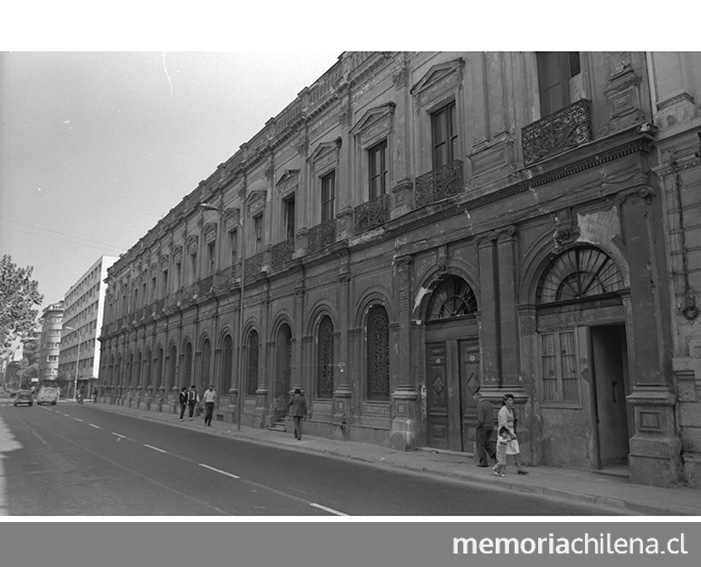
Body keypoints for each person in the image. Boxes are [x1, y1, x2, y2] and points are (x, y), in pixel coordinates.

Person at [497, 393, 528, 475]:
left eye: (512, 400)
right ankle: (501, 468)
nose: (511, 402)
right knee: (503, 451)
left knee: (516, 449)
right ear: (505, 401)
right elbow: (504, 424)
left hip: (511, 431)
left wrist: (512, 433)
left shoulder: (510, 410)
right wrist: (510, 434)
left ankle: (520, 468)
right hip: (504, 433)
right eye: (509, 400)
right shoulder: (503, 411)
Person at [474, 391, 496, 467]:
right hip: (491, 426)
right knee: (486, 442)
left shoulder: (480, 406)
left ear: (477, 399)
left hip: (483, 427)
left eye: (475, 400)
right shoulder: (489, 404)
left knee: (480, 444)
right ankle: (494, 454)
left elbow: (481, 419)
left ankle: (483, 461)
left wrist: (477, 426)